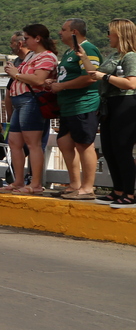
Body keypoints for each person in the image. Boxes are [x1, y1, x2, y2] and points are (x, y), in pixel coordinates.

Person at [0, 24, 58, 195]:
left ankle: (35, 183)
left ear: (37, 38)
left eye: (26, 38)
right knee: (14, 142)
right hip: (20, 100)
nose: (24, 41)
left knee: (33, 144)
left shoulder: (47, 57)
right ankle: (18, 180)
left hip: (31, 100)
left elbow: (38, 79)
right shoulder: (32, 55)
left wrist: (16, 74)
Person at [48, 18, 102, 200]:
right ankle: (74, 184)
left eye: (63, 29)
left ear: (74, 32)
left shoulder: (88, 49)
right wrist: (56, 83)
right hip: (68, 107)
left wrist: (62, 86)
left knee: (84, 144)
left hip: (83, 104)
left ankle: (87, 187)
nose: (59, 32)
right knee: (64, 143)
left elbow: (90, 76)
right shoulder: (68, 52)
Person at [86, 19, 136, 206]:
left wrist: (105, 76)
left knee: (122, 149)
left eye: (110, 32)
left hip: (125, 102)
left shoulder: (130, 56)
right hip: (110, 104)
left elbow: (132, 83)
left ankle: (129, 194)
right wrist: (84, 57)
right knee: (109, 149)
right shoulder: (114, 55)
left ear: (120, 34)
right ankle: (118, 190)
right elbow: (94, 74)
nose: (107, 36)